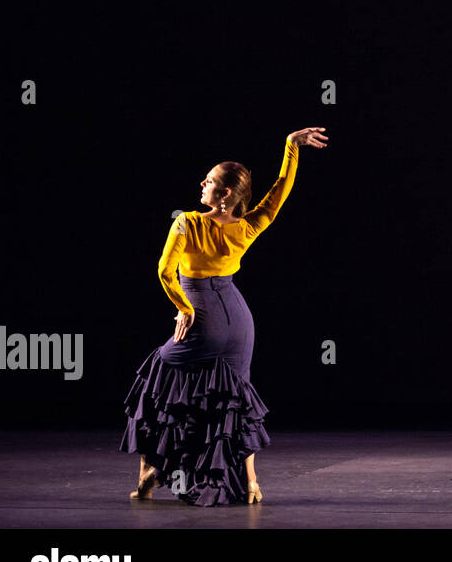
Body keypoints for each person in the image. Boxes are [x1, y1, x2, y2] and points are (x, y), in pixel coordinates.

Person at [121, 127, 328, 505]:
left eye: (211, 180)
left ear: (226, 194)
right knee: (236, 397)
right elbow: (279, 190)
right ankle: (250, 482)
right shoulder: (249, 225)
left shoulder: (187, 222)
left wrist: (184, 308)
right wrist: (290, 148)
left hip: (205, 319)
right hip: (240, 320)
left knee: (156, 380)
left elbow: (164, 273)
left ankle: (149, 470)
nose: (203, 182)